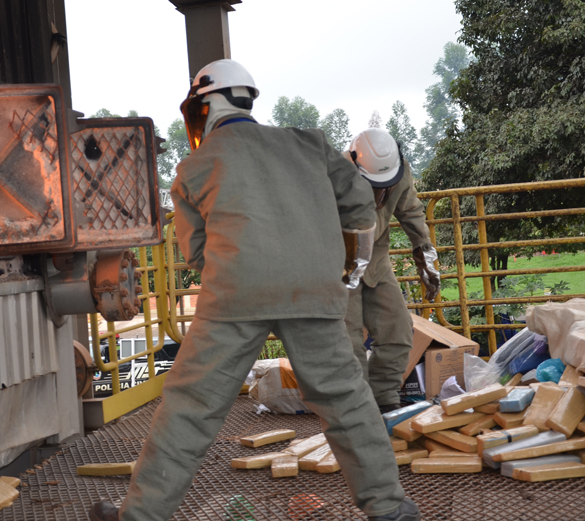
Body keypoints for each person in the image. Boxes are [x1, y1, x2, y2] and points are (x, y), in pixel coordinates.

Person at [89, 59, 420, 521]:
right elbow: (360, 203)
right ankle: (390, 509)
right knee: (346, 400)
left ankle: (140, 516)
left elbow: (197, 252)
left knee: (190, 407)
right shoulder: (309, 144)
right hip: (315, 290)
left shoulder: (195, 166)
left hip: (235, 295)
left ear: (203, 106)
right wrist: (341, 263)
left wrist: (236, 275)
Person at [343, 128, 441, 413]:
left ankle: (384, 400)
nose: (381, 191)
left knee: (398, 330)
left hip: (375, 261)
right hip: (338, 266)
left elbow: (410, 209)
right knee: (348, 341)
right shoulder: (331, 177)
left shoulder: (399, 169)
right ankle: (357, 408)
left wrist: (425, 255)